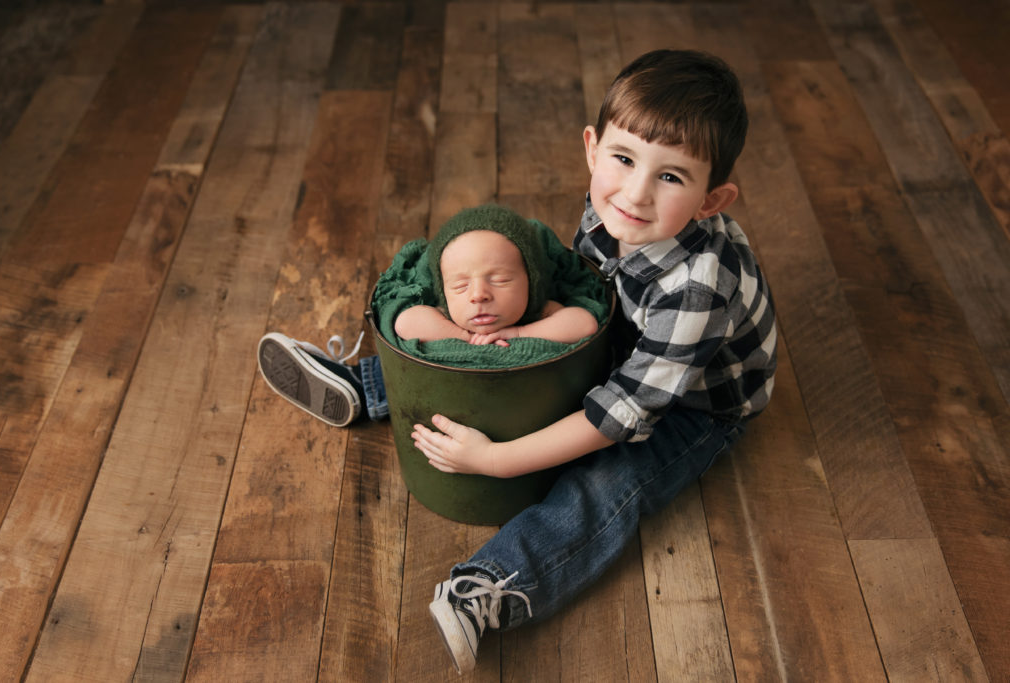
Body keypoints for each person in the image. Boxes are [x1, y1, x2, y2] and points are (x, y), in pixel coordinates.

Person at [412, 49, 777, 674]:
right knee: (508, 338)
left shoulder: (698, 287)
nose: (635, 193)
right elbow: (582, 291)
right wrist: (529, 332)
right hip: (625, 342)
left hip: (693, 404)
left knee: (611, 482)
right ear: (593, 147)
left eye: (671, 178)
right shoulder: (612, 212)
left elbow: (620, 416)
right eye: (625, 159)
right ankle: (373, 381)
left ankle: (493, 585)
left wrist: (495, 459)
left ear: (712, 198)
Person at [257, 204, 599, 427]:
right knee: (407, 377)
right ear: (444, 293)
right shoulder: (446, 319)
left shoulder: (539, 312)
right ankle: (356, 385)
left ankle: (358, 385)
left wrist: (520, 335)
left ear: (532, 281)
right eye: (460, 286)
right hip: (443, 402)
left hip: (518, 413)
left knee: (395, 383)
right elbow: (405, 322)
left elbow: (586, 323)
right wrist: (462, 337)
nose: (479, 294)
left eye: (500, 279)